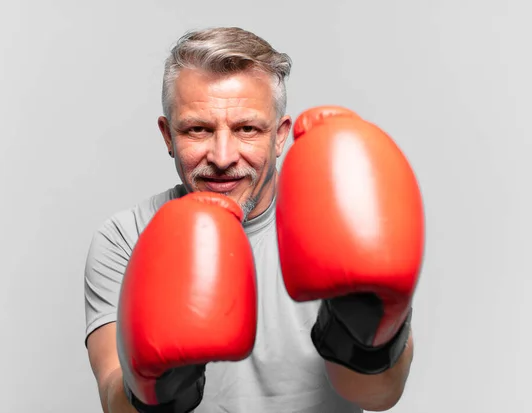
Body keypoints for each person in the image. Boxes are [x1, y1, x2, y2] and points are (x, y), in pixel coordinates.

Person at [84, 26, 425, 413]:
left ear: (280, 136)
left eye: (247, 129)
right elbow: (115, 401)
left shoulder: (335, 218)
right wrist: (158, 387)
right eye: (198, 129)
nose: (223, 156)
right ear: (167, 136)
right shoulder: (126, 238)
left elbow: (378, 395)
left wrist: (365, 331)